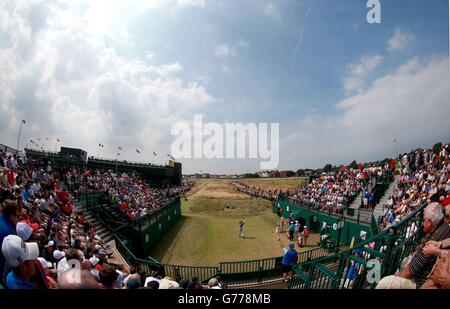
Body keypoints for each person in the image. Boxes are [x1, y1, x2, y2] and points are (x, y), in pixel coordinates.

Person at [376, 203, 450, 289]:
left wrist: (397, 276)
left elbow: (408, 272)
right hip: (423, 276)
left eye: (423, 219)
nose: (421, 223)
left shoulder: (437, 237)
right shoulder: (441, 230)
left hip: (418, 281)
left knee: (385, 283)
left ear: (429, 222)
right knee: (404, 261)